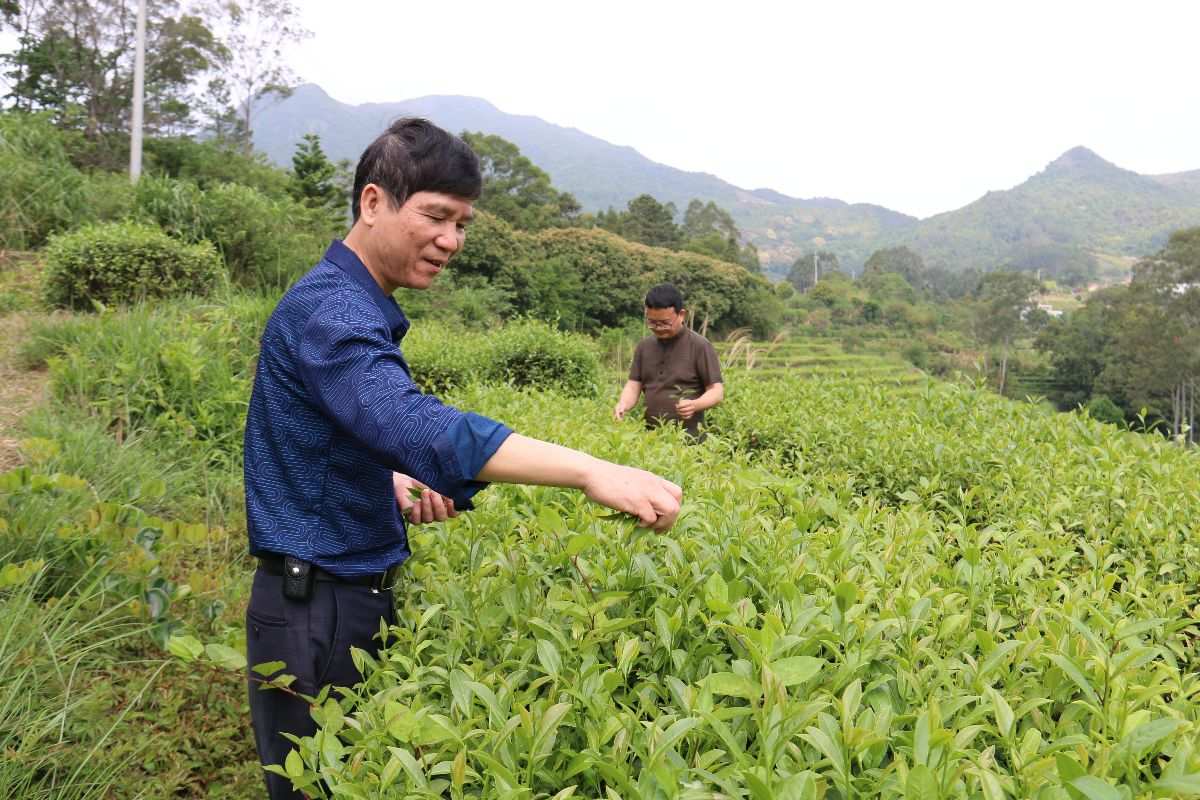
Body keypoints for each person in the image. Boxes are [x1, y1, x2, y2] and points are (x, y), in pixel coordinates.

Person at [242, 118, 681, 799]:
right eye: (436, 216)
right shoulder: (330, 310)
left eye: (463, 223)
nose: (452, 241)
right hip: (314, 611)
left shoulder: (355, 304)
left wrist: (381, 480)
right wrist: (592, 471)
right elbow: (415, 425)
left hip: (338, 598)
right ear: (372, 203)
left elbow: (330, 431)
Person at [613, 283, 724, 439]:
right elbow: (633, 385)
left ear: (682, 315)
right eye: (652, 322)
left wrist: (694, 405)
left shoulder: (700, 346)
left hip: (689, 440)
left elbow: (716, 392)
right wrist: (623, 404)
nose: (658, 328)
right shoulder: (644, 347)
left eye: (665, 323)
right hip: (650, 438)